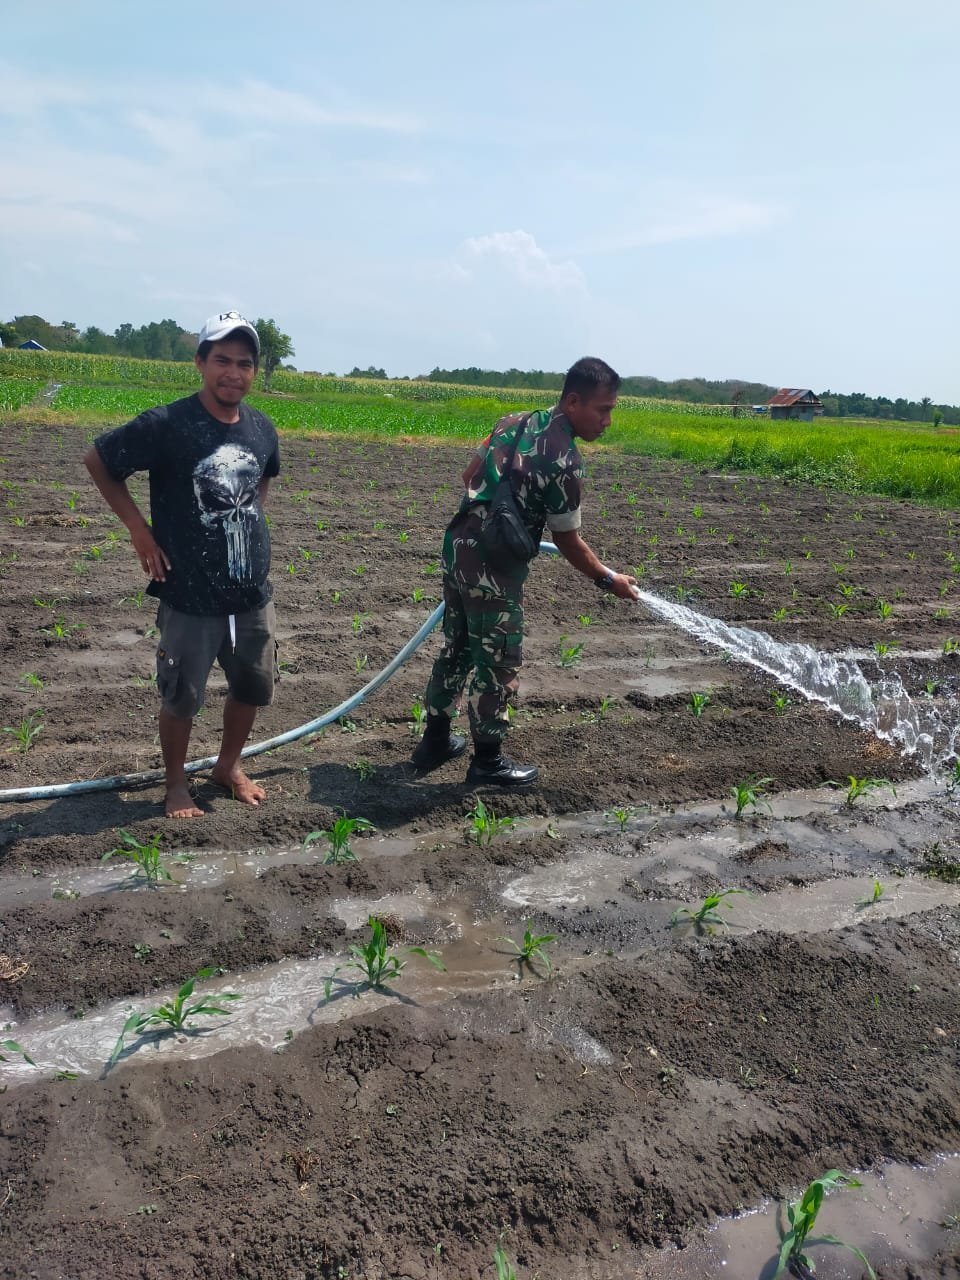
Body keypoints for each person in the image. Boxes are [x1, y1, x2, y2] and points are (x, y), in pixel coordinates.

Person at [84, 312, 280, 819]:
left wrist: (246, 523)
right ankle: (175, 785)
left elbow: (264, 478)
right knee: (181, 696)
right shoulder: (166, 424)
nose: (233, 373)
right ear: (200, 363)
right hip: (189, 593)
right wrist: (139, 529)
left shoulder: (262, 427)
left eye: (244, 363)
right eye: (222, 361)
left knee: (251, 687)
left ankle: (227, 767)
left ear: (254, 371)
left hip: (251, 593)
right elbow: (99, 461)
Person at [412, 356, 638, 786]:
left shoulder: (512, 422)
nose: (608, 421)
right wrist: (609, 580)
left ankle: (434, 742)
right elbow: (568, 541)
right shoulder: (565, 462)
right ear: (573, 402)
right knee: (497, 662)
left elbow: (468, 475)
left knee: (456, 648)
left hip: (458, 549)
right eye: (603, 409)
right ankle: (488, 762)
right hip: (495, 569)